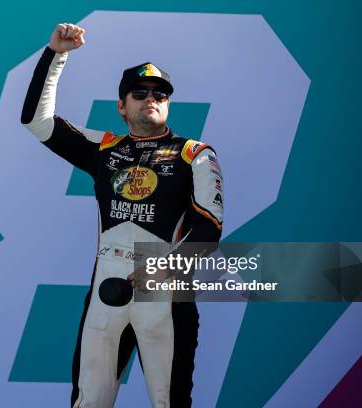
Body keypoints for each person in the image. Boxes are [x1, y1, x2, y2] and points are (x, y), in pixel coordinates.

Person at [21, 23, 223, 408]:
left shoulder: (194, 153)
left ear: (168, 103)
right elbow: (36, 121)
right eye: (140, 92)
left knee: (170, 403)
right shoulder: (104, 148)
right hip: (106, 288)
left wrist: (162, 267)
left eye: (160, 93)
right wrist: (56, 55)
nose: (151, 98)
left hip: (163, 293)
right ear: (121, 105)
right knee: (88, 402)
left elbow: (208, 229)